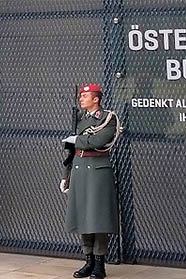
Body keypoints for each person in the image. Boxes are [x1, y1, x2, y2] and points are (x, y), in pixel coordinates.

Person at [60, 83, 122, 279]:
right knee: (83, 217)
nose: (81, 99)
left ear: (96, 99)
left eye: (85, 96)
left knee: (98, 218)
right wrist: (66, 175)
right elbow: (72, 152)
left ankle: (100, 263)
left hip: (97, 170)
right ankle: (89, 261)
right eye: (81, 96)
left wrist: (75, 140)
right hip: (79, 170)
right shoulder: (80, 119)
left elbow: (98, 141)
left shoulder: (107, 119)